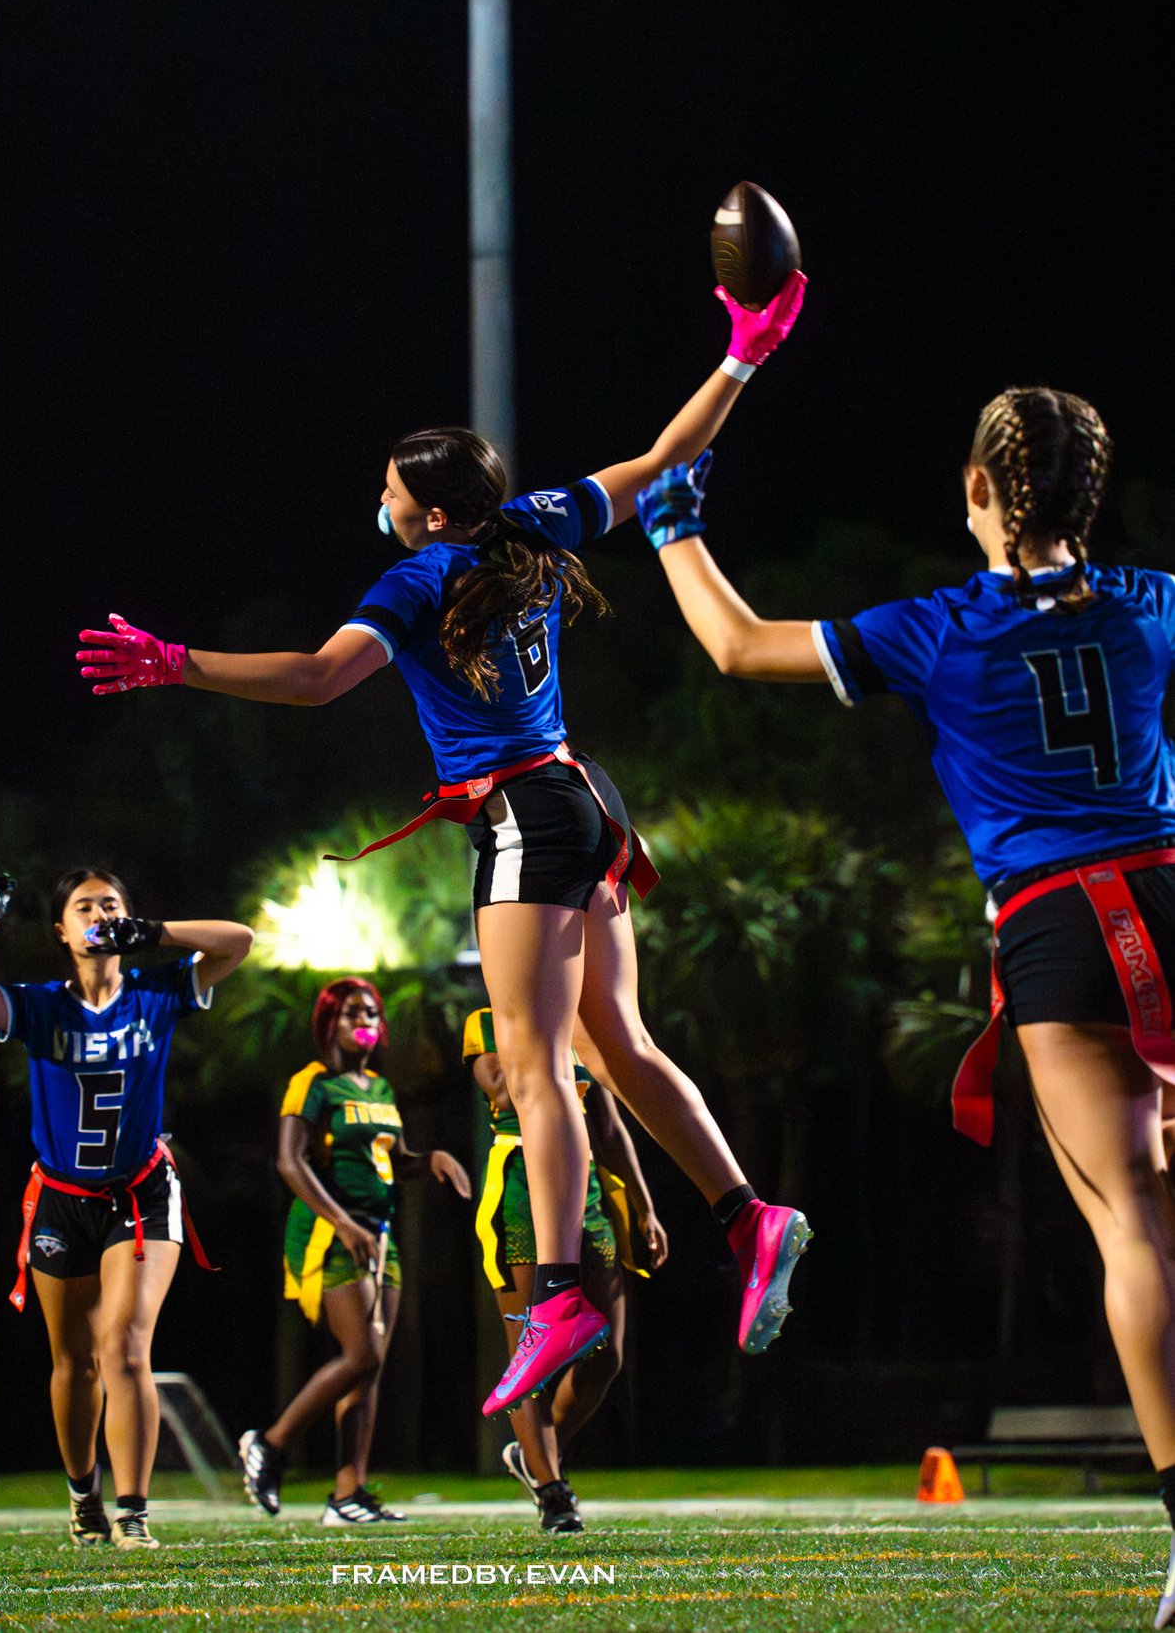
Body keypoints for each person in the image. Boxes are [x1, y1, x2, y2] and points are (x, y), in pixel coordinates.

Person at [75, 273, 812, 1416]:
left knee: (534, 1060)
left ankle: (556, 1295)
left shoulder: (419, 576)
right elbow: (666, 457)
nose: (377, 501)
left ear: (426, 512)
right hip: (588, 801)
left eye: (388, 490)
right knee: (616, 1042)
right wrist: (742, 355)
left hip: (523, 817)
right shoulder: (534, 525)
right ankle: (747, 1215)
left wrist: (179, 665)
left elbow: (317, 677)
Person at [636, 385, 1175, 1628]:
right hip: (1165, 886)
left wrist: (672, 525)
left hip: (1053, 926)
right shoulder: (1152, 603)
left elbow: (737, 645)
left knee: (1133, 1229)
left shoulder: (937, 628)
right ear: (1091, 495)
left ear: (976, 488)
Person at [0, 868, 252, 1550]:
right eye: (85, 906)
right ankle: (84, 1497)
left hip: (140, 1193)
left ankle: (133, 1512)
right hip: (62, 1197)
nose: (100, 914)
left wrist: (155, 933)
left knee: (126, 1345)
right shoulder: (42, 1006)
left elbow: (239, 941)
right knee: (73, 1361)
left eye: (111, 904)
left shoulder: (155, 992)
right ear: (62, 930)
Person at [237, 976, 471, 1524]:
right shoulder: (313, 1083)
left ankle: (349, 1494)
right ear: (329, 1022)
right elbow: (290, 1161)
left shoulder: (380, 1090)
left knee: (371, 1366)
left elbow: (393, 1159)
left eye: (370, 1012)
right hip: (330, 1232)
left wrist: (429, 1159)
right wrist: (341, 1222)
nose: (363, 1020)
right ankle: (270, 1444)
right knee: (361, 1353)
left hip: (378, 1232)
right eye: (350, 1012)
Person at [463, 1003, 665, 1532]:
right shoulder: (488, 1020)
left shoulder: (579, 1025)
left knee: (606, 1353)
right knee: (528, 1356)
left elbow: (609, 1127)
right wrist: (539, 1030)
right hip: (522, 1183)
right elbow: (504, 1092)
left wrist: (644, 1206)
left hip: (587, 1190)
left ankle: (535, 1453)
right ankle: (552, 1490)